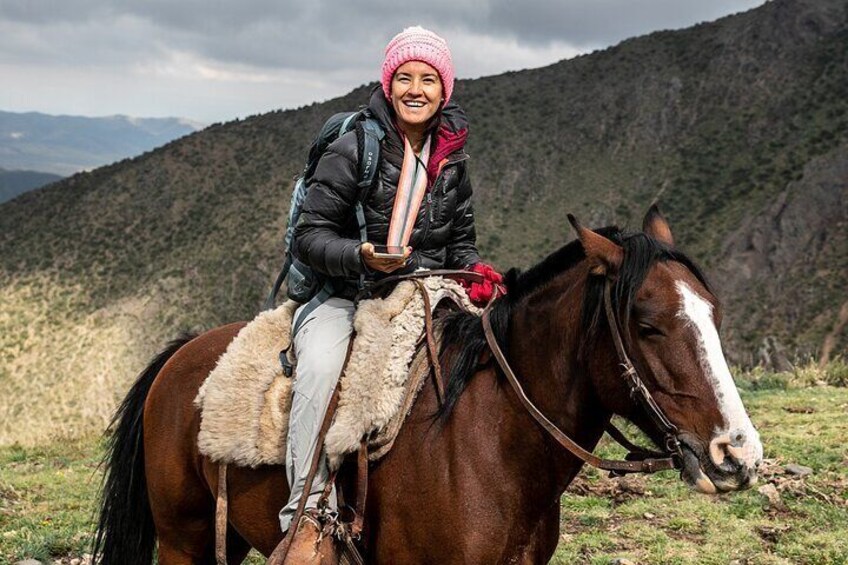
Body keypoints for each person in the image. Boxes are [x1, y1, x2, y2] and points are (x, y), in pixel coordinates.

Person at [278, 25, 504, 560]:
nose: (416, 89)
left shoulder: (452, 161)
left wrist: (477, 272)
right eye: (405, 77)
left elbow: (460, 244)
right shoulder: (354, 145)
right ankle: (306, 514)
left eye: (429, 79)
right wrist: (360, 255)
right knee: (320, 370)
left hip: (420, 296)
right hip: (344, 295)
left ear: (444, 90)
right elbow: (309, 236)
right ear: (389, 82)